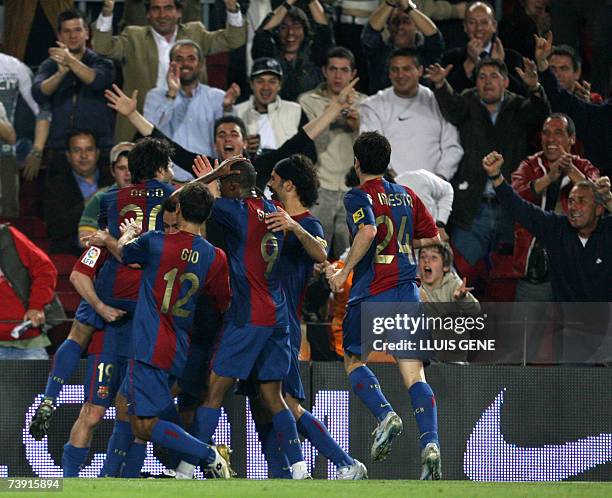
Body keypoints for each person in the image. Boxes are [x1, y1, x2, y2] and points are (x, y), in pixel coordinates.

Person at [29, 138, 178, 440]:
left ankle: (49, 396)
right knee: (129, 398)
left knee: (79, 333)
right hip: (141, 290)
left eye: (128, 167)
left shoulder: (107, 198)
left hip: (108, 278)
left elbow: (95, 238)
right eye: (119, 168)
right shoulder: (171, 195)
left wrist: (108, 240)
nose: (124, 173)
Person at [173, 158, 310, 479]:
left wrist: (212, 174)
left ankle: (187, 468)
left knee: (214, 391)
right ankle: (300, 469)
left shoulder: (237, 210)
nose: (220, 190)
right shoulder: (276, 210)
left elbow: (182, 199)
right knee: (273, 396)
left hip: (248, 315)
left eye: (223, 185)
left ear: (233, 186)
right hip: (277, 315)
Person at [326, 131, 443, 479]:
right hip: (406, 290)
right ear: (387, 162)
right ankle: (431, 443)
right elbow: (433, 236)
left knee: (352, 360)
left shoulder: (357, 196)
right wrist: (405, 241)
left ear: (357, 162)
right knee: (413, 373)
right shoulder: (407, 195)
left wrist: (343, 270)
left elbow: (368, 233)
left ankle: (385, 414)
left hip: (372, 289)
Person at [115, 182, 233, 477]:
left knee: (142, 423)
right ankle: (123, 476)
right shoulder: (215, 256)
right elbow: (222, 301)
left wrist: (128, 233)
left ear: (178, 210)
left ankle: (209, 455)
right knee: (141, 409)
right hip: (179, 347)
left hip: (149, 343)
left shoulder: (155, 241)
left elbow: (124, 253)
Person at [262, 154, 366, 479]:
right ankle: (284, 473)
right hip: (256, 321)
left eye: (274, 178)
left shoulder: (308, 224)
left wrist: (294, 227)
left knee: (286, 401)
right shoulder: (268, 216)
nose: (269, 182)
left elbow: (320, 251)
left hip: (284, 324)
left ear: (289, 184)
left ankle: (342, 462)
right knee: (265, 403)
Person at [104, 77, 356, 190]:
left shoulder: (262, 164)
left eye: (233, 134)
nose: (227, 138)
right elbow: (165, 142)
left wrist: (334, 108)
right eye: (221, 134)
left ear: (245, 141)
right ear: (214, 144)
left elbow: (301, 139)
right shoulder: (206, 166)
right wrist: (132, 114)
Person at [426, 57, 550, 284]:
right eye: (482, 77)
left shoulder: (519, 106)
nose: (488, 82)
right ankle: (454, 320)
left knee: (508, 280)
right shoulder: (468, 101)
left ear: (505, 82)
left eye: (494, 76)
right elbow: (452, 109)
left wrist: (534, 87)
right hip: (473, 209)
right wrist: (441, 85)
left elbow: (540, 114)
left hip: (510, 209)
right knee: (457, 274)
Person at [483, 151, 612, 361]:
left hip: (608, 331)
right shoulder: (557, 228)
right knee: (571, 389)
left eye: (581, 201)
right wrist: (496, 177)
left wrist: (609, 200)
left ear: (599, 209)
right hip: (573, 335)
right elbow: (520, 209)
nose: (573, 207)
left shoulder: (607, 230)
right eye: (570, 201)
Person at [92, 0, 247, 142]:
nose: (162, 15)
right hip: (143, 122)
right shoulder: (134, 36)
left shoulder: (195, 33)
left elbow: (234, 39)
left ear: (179, 12)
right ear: (147, 13)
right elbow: (102, 47)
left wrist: (232, 8)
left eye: (168, 8)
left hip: (190, 124)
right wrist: (107, 11)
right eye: (156, 9)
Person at [510, 113, 600, 300]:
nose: (550, 138)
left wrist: (570, 170)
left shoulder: (584, 166)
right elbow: (514, 199)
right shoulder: (529, 165)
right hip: (536, 271)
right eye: (546, 133)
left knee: (580, 328)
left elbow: (598, 200)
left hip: (575, 270)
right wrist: (549, 178)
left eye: (558, 132)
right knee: (523, 329)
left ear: (571, 139)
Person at [298, 47, 366, 259]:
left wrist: (357, 127)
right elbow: (302, 142)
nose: (338, 75)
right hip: (319, 187)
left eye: (344, 70)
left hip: (352, 190)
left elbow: (372, 151)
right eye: (333, 69)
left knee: (351, 260)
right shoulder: (307, 101)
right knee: (314, 259)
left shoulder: (366, 104)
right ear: (324, 71)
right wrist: (332, 113)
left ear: (353, 73)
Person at [360, 48, 463, 181]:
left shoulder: (438, 101)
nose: (400, 75)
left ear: (420, 71)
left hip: (432, 193)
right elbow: (371, 150)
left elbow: (452, 147)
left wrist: (438, 180)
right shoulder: (373, 105)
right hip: (388, 192)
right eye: (394, 70)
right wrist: (394, 183)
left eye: (406, 69)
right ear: (389, 74)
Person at [32, 9, 114, 172]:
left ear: (87, 33)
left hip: (99, 148)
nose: (72, 35)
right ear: (59, 36)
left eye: (77, 30)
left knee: (103, 197)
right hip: (60, 148)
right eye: (67, 31)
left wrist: (70, 61)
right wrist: (60, 74)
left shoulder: (103, 62)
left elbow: (96, 81)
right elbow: (39, 93)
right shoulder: (49, 65)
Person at [534, 32, 612, 177]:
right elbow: (563, 103)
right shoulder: (602, 115)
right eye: (553, 69)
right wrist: (543, 67)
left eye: (563, 68)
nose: (558, 73)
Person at [144, 40, 228, 157]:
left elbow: (227, 138)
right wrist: (171, 94)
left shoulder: (218, 97)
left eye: (191, 58)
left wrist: (228, 109)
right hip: (168, 172)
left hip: (208, 172)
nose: (185, 63)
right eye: (179, 59)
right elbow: (149, 133)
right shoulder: (155, 97)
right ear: (171, 64)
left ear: (200, 65)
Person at [43, 130, 114, 255]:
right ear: (68, 156)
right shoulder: (55, 186)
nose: (84, 155)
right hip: (74, 251)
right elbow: (55, 228)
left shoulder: (112, 178)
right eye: (77, 150)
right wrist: (91, 202)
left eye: (89, 149)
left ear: (97, 153)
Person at [252, 1, 334, 101]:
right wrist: (288, 2)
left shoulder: (315, 57)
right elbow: (263, 31)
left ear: (305, 31)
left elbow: (324, 26)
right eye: (284, 27)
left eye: (297, 27)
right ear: (276, 32)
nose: (290, 32)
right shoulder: (268, 59)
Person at [440, 1, 527, 95]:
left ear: (494, 26)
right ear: (465, 27)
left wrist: (499, 65)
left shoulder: (512, 57)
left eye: (484, 22)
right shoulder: (451, 58)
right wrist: (470, 62)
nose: (478, 28)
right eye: (472, 23)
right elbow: (449, 97)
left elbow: (521, 96)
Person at [0, 224, 58, 359]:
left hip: (28, 341)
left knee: (35, 379)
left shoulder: (6, 236)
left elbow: (45, 269)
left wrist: (36, 306)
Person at [362, 0, 444, 94]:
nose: (400, 27)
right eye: (395, 22)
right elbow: (370, 32)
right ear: (388, 26)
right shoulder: (379, 53)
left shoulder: (427, 55)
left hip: (419, 106)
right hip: (382, 106)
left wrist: (409, 7)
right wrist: (390, 2)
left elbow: (434, 36)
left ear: (417, 26)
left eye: (406, 22)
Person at [418, 243, 480, 363]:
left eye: (433, 258)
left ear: (445, 266)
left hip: (452, 352)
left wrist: (462, 298)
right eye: (423, 257)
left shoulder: (453, 284)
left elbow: (475, 309)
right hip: (425, 352)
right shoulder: (415, 287)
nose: (427, 261)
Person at [233, 57, 305, 156]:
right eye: (260, 81)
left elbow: (309, 150)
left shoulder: (295, 110)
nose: (266, 87)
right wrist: (243, 148)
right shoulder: (237, 112)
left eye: (272, 81)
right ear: (251, 84)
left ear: (280, 85)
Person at [78, 142, 134, 247]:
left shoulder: (153, 195)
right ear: (112, 171)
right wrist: (106, 241)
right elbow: (83, 240)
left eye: (132, 167)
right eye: (121, 168)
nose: (128, 173)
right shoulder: (100, 198)